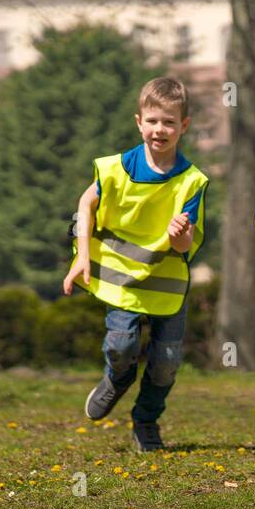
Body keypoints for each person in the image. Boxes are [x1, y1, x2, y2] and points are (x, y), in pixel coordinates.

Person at [63, 77, 208, 453]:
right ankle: (117, 379)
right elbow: (85, 205)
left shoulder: (192, 182)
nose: (160, 129)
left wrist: (180, 237)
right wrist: (81, 256)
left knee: (167, 361)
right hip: (121, 278)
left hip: (167, 282)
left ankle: (146, 421)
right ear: (139, 122)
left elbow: (188, 243)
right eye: (153, 121)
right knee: (121, 346)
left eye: (170, 122)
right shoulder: (114, 169)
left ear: (184, 126)